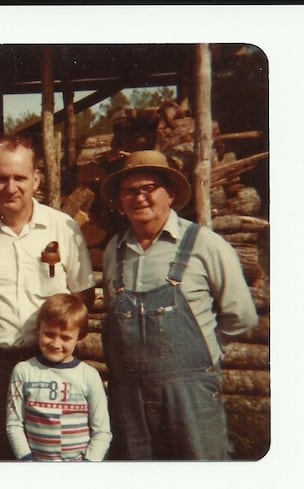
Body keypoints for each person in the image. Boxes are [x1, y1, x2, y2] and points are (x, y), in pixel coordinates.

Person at [99, 149, 258, 460]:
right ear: (120, 200)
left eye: (148, 189)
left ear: (169, 193)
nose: (139, 198)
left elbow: (241, 315)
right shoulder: (113, 251)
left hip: (191, 396)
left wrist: (203, 353)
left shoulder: (204, 244)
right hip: (130, 400)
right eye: (130, 191)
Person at [0, 135, 96, 460]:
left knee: (58, 454)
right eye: (1, 178)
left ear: (36, 179)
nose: (10, 187)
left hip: (52, 363)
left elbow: (83, 298)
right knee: (2, 456)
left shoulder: (64, 229)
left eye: (20, 177)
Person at [6, 293, 112, 461]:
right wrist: (27, 461)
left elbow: (102, 431)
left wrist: (88, 464)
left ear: (80, 337)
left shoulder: (88, 375)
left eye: (65, 337)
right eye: (49, 334)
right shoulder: (24, 371)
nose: (55, 344)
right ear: (38, 329)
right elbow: (14, 424)